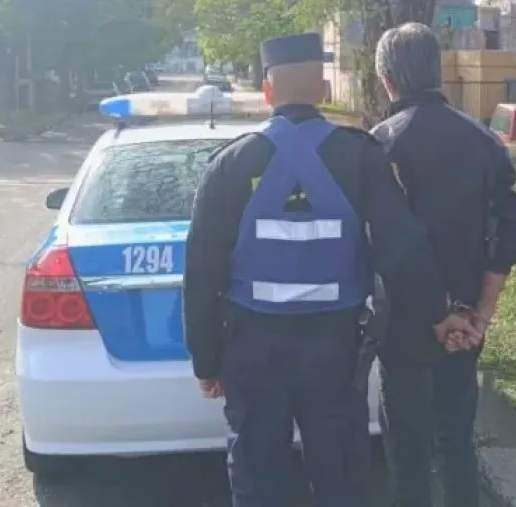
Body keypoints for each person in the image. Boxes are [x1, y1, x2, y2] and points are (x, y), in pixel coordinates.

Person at [182, 32, 480, 507]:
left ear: (267, 91)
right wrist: (439, 314)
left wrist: (207, 361)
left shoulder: (230, 165)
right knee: (339, 478)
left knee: (258, 480)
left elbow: (200, 273)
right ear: (323, 90)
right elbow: (402, 248)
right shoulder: (359, 155)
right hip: (335, 352)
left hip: (252, 351)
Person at [370, 23, 516, 507]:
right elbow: (510, 229)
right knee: (457, 439)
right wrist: (481, 313)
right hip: (467, 319)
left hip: (403, 320)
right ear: (437, 71)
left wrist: (439, 315)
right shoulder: (483, 140)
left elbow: (390, 243)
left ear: (387, 79)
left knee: (407, 447)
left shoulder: (381, 145)